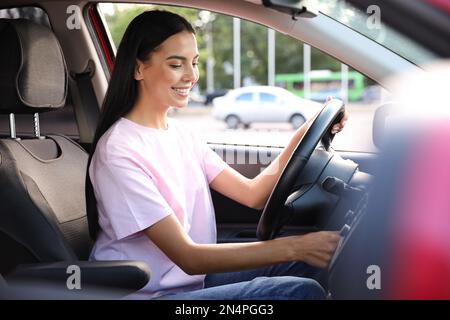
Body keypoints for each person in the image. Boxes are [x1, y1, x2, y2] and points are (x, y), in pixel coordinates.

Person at [86, 10, 348, 300]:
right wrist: (297, 246)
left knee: (310, 266)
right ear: (138, 69)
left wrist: (306, 132)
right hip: (151, 295)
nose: (191, 75)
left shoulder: (181, 134)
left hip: (191, 283)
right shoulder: (119, 151)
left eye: (194, 63)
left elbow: (253, 194)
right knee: (301, 290)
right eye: (176, 64)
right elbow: (189, 257)